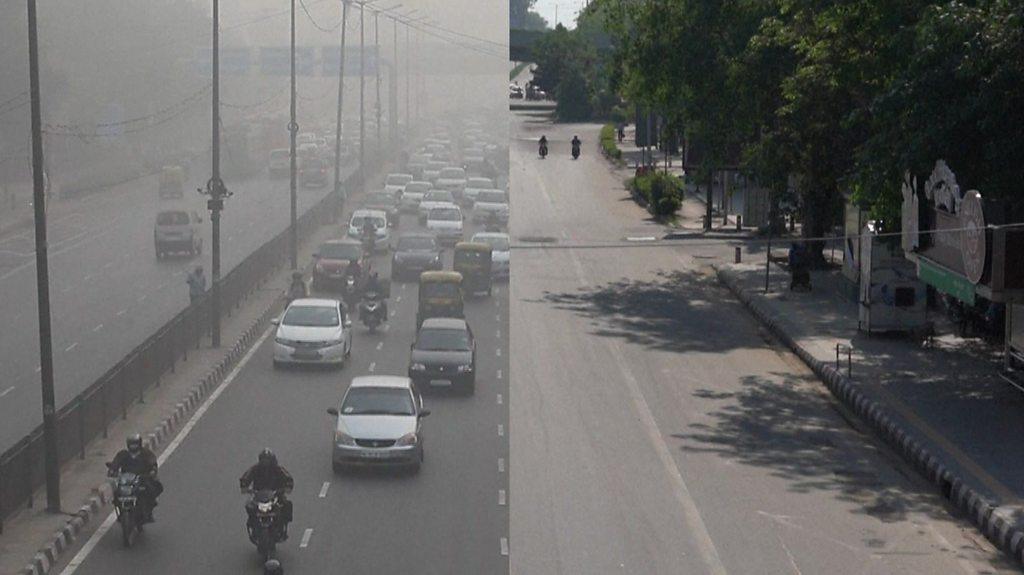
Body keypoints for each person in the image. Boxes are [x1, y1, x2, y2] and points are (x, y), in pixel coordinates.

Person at [240, 449, 294, 540]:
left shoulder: (278, 469)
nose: (266, 463)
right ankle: (253, 524)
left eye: (267, 460)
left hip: (275, 495)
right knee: (249, 506)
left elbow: (288, 478)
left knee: (286, 505)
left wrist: (287, 487)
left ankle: (283, 526)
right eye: (264, 460)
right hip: (259, 496)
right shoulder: (255, 469)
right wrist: (244, 486)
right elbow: (246, 477)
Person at [108, 434, 163, 522]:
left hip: (142, 479)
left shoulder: (146, 453)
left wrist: (152, 470)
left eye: (135, 444)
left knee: (150, 489)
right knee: (117, 493)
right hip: (127, 480)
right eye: (131, 444)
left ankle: (148, 511)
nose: (133, 446)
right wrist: (112, 470)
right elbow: (116, 463)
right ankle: (121, 511)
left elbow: (152, 462)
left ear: (139, 443)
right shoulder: (123, 454)